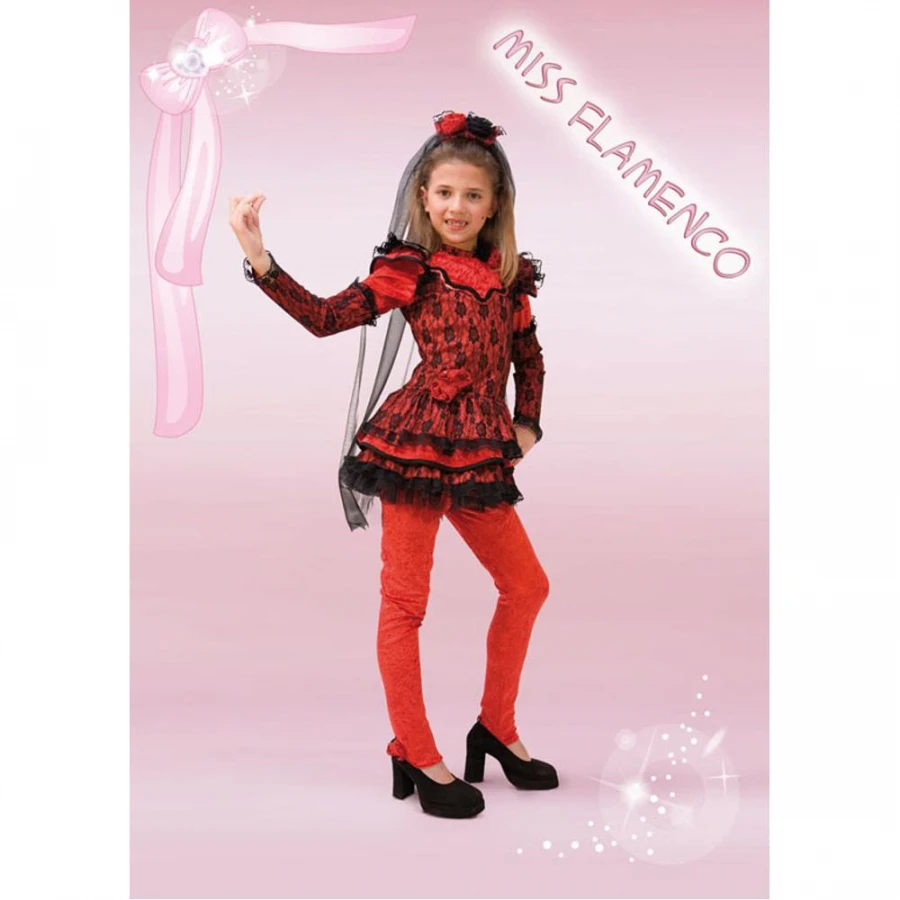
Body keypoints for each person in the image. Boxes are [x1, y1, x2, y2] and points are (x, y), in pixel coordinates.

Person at [229, 111, 558, 819]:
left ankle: (495, 727)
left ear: (494, 204)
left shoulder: (508, 282)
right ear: (423, 198)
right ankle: (414, 748)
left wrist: (527, 422)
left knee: (526, 586)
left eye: (472, 195)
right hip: (414, 449)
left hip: (477, 454)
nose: (456, 208)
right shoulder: (412, 271)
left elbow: (527, 356)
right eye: (444, 193)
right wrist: (261, 259)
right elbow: (325, 318)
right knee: (406, 603)